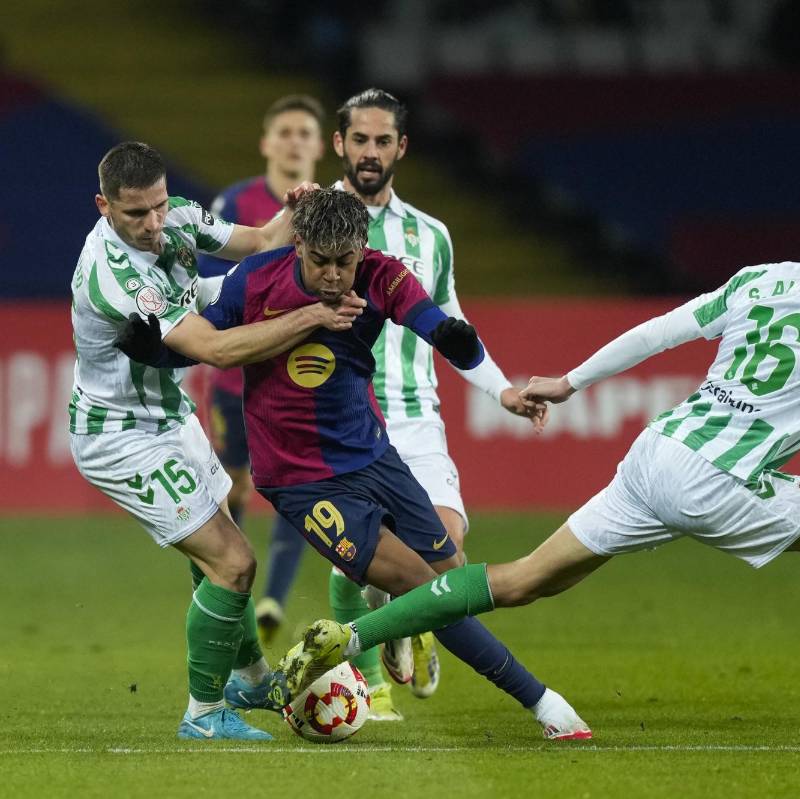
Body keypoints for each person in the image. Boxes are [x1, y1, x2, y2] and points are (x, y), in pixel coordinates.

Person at [280, 184, 800, 745]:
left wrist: (572, 380)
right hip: (721, 479)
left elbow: (662, 330)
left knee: (521, 579)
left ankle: (351, 638)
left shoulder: (757, 279)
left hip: (657, 453)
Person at [119, 188, 590, 740]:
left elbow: (429, 318)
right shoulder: (255, 280)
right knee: (423, 586)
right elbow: (205, 340)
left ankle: (386, 624)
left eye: (345, 261)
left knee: (452, 574)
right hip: (300, 478)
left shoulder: (379, 274)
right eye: (320, 261)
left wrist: (452, 339)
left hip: (374, 456)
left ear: (362, 249)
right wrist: (154, 350)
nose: (334, 275)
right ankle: (544, 703)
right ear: (298, 244)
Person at [69, 141, 362, 741]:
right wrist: (312, 316)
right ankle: (202, 716)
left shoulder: (175, 215)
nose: (153, 223)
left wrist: (295, 209)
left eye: (157, 205)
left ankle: (250, 680)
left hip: (169, 416)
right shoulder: (116, 275)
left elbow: (262, 241)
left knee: (219, 556)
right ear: (104, 206)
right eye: (135, 213)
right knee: (234, 561)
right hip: (118, 435)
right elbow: (218, 350)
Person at [324, 88, 543, 711]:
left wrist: (501, 388)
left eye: (382, 141)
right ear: (339, 143)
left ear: (401, 147)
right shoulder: (307, 221)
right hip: (340, 420)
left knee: (446, 555)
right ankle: (370, 689)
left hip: (415, 417)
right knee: (353, 562)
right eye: (359, 140)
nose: (370, 152)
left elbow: (451, 323)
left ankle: (408, 619)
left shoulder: (431, 236)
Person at [196, 94, 327, 652]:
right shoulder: (236, 202)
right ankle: (235, 588)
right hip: (236, 377)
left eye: (305, 133)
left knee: (297, 480)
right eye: (286, 132)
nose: (295, 141)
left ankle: (272, 597)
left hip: (303, 374)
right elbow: (208, 282)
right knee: (236, 484)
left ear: (319, 146)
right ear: (267, 143)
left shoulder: (333, 207)